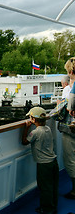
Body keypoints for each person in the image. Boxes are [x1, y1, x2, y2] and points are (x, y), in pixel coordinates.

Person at [22, 107, 58, 214]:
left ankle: (47, 210)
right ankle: (53, 206)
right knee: (52, 186)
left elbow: (24, 142)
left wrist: (26, 128)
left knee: (45, 187)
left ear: (33, 119)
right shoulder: (48, 129)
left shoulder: (35, 132)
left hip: (44, 164)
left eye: (30, 117)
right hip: (53, 162)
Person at [50, 57, 75, 200]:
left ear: (71, 71)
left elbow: (69, 107)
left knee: (70, 158)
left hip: (70, 129)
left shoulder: (70, 89)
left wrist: (61, 104)